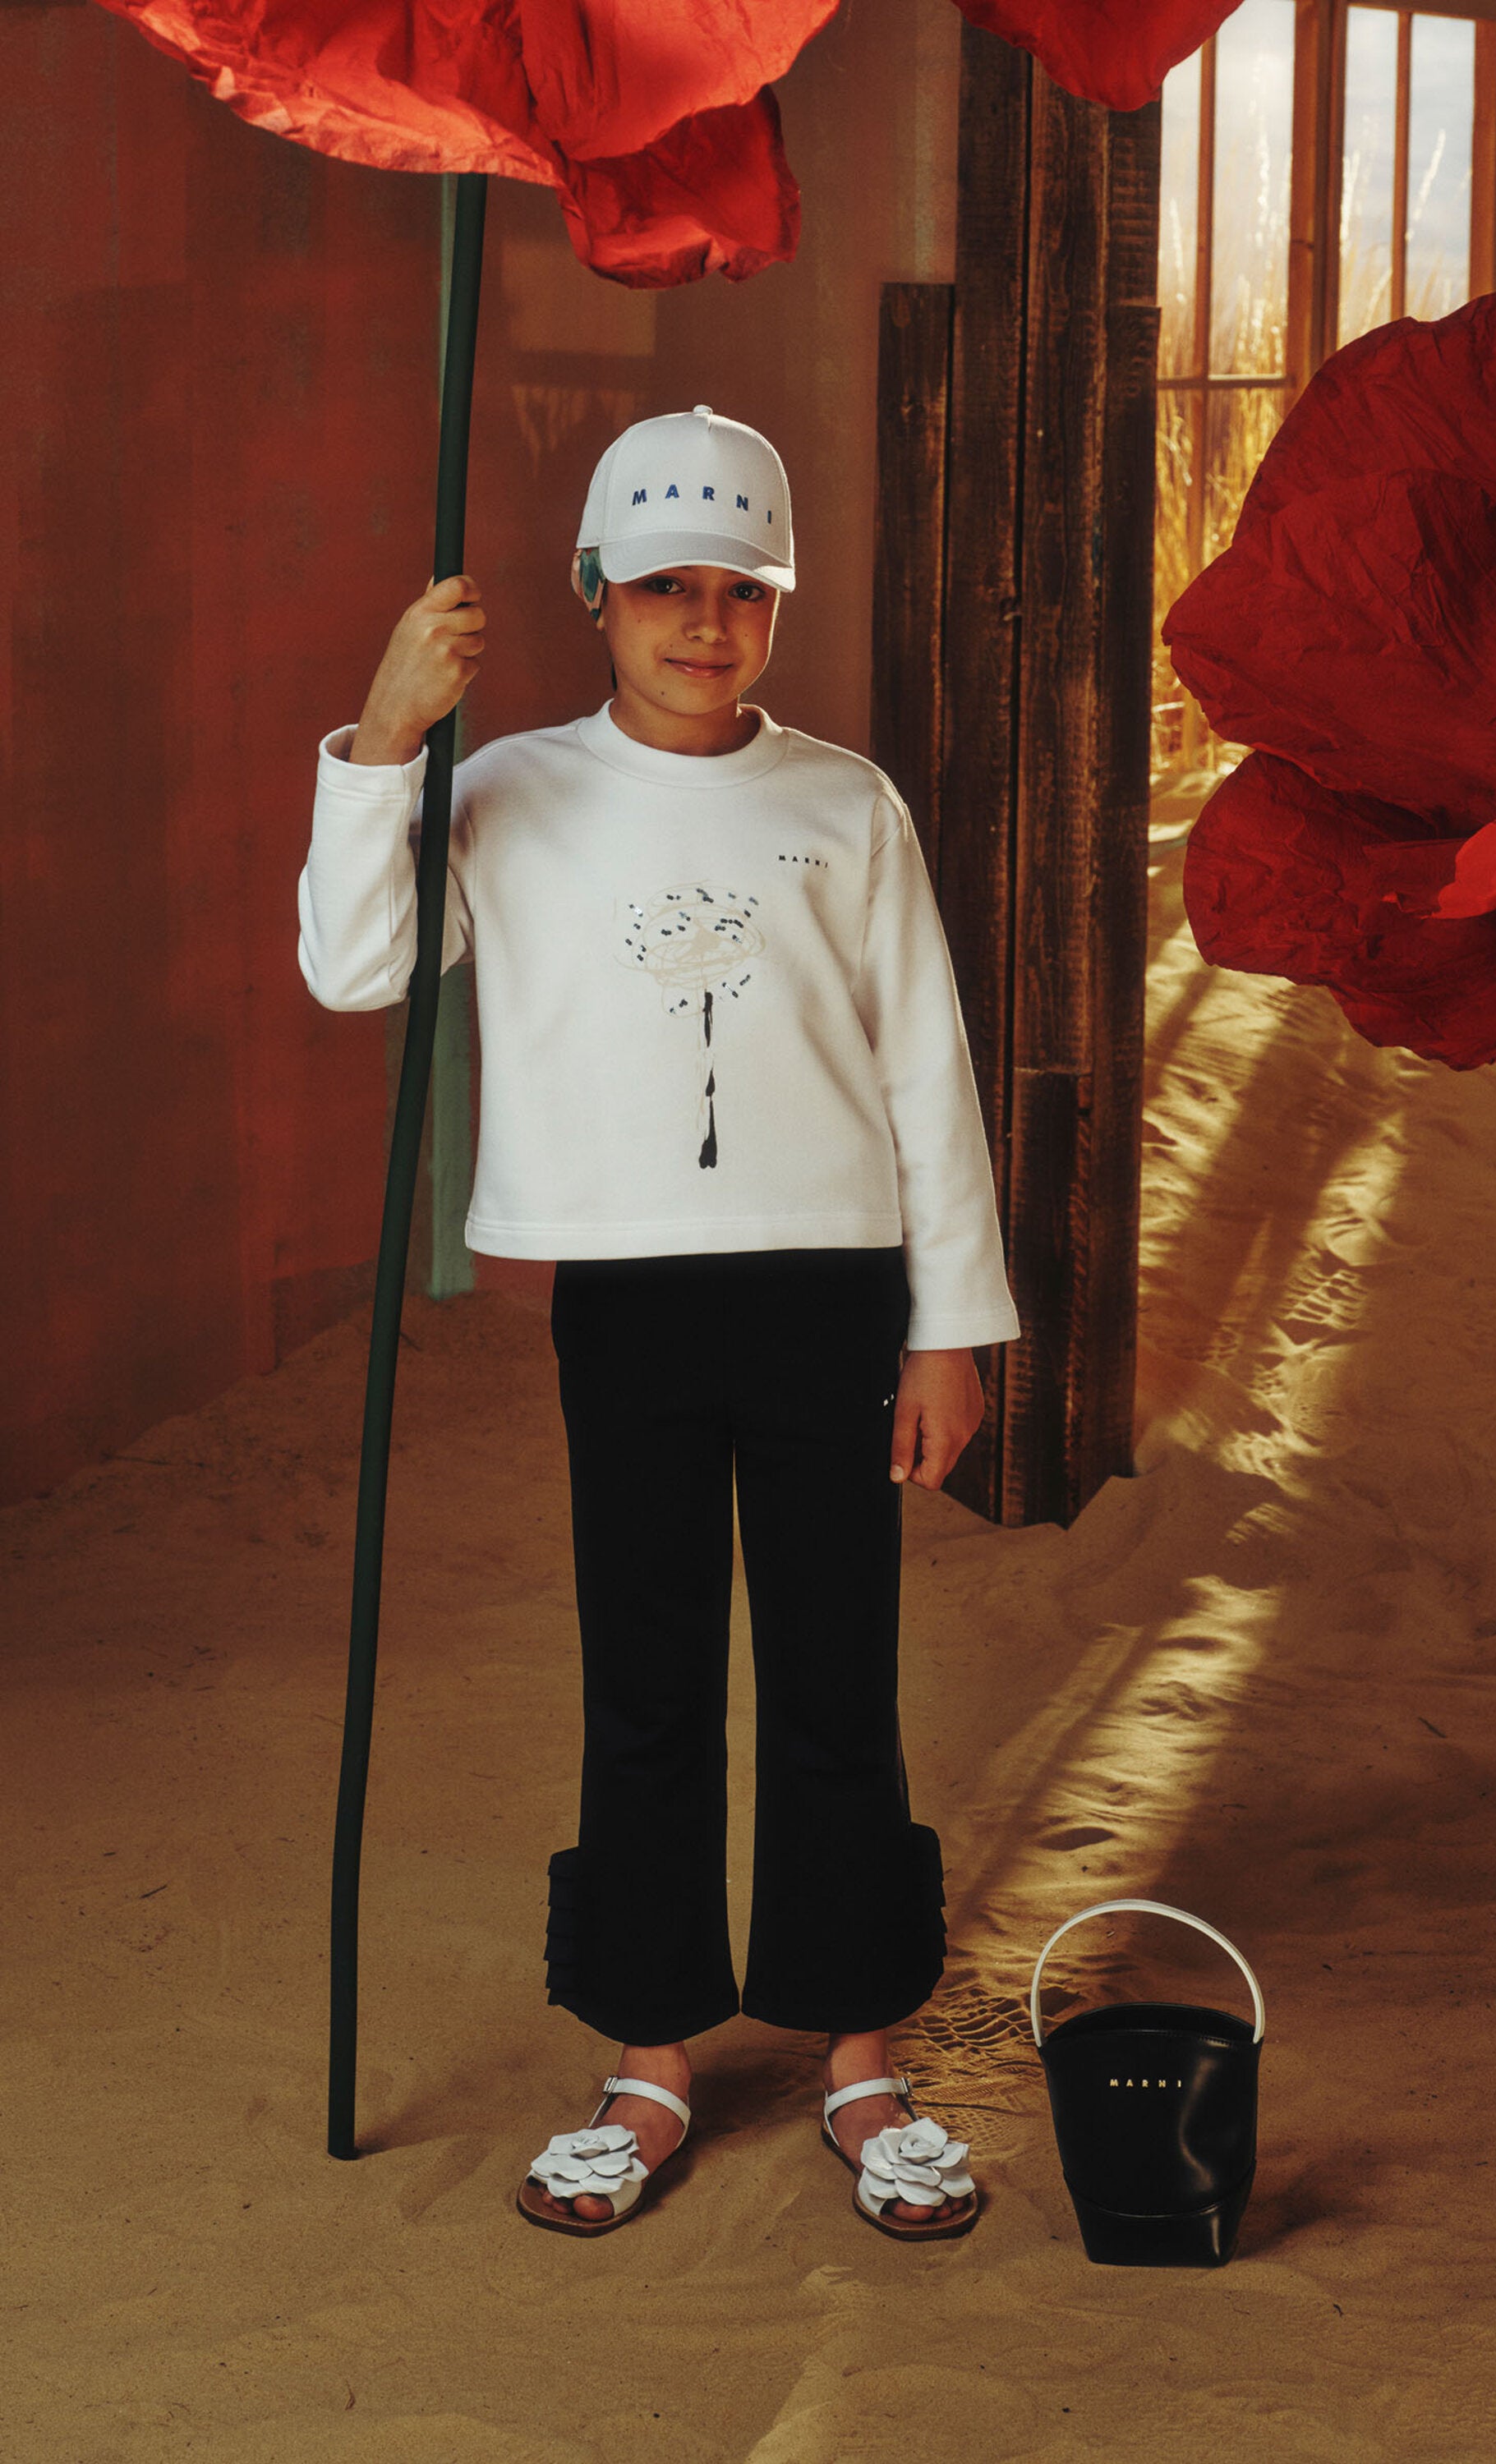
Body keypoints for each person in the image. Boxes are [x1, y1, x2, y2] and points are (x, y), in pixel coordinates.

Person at [298, 406, 1020, 2243]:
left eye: (741, 592)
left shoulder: (846, 804)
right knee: (647, 1680)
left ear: (778, 605)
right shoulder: (504, 788)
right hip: (623, 1292)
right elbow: (356, 966)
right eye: (665, 590)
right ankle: (649, 2055)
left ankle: (862, 2054)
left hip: (830, 1285)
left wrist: (948, 1327)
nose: (705, 625)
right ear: (592, 597)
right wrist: (385, 738)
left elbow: (925, 1073)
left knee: (839, 1675)